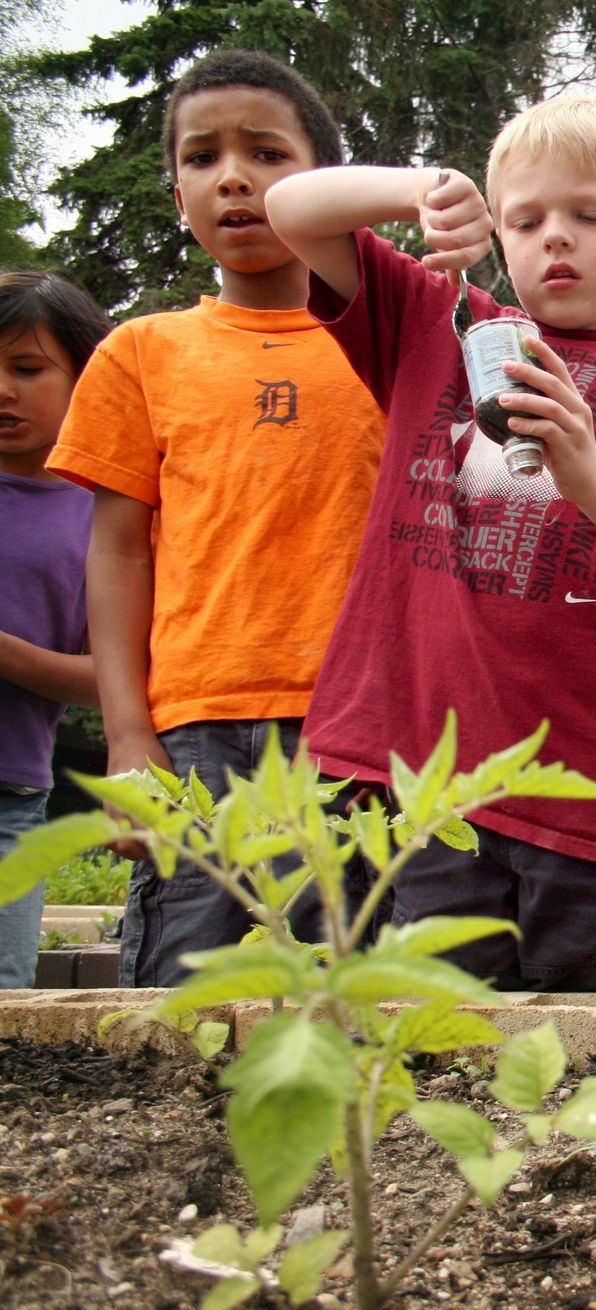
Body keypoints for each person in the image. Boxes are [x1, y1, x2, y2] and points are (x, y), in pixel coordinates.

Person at [266, 96, 596, 992]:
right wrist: (423, 187)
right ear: (497, 233)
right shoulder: (445, 327)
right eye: (527, 219)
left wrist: (590, 479)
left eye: (591, 214)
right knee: (440, 1068)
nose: (557, 240)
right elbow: (290, 211)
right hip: (427, 801)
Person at [47, 50, 384, 988]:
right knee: (175, 1003)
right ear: (177, 194)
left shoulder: (384, 346)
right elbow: (115, 551)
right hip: (188, 735)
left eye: (267, 153)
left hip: (345, 728)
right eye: (202, 158)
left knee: (337, 1005)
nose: (232, 176)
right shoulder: (142, 353)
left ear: (327, 187)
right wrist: (126, 738)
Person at [0, 272, 112, 989]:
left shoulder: (105, 514)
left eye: (27, 368)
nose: (3, 389)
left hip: (11, 797)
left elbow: (112, 676)